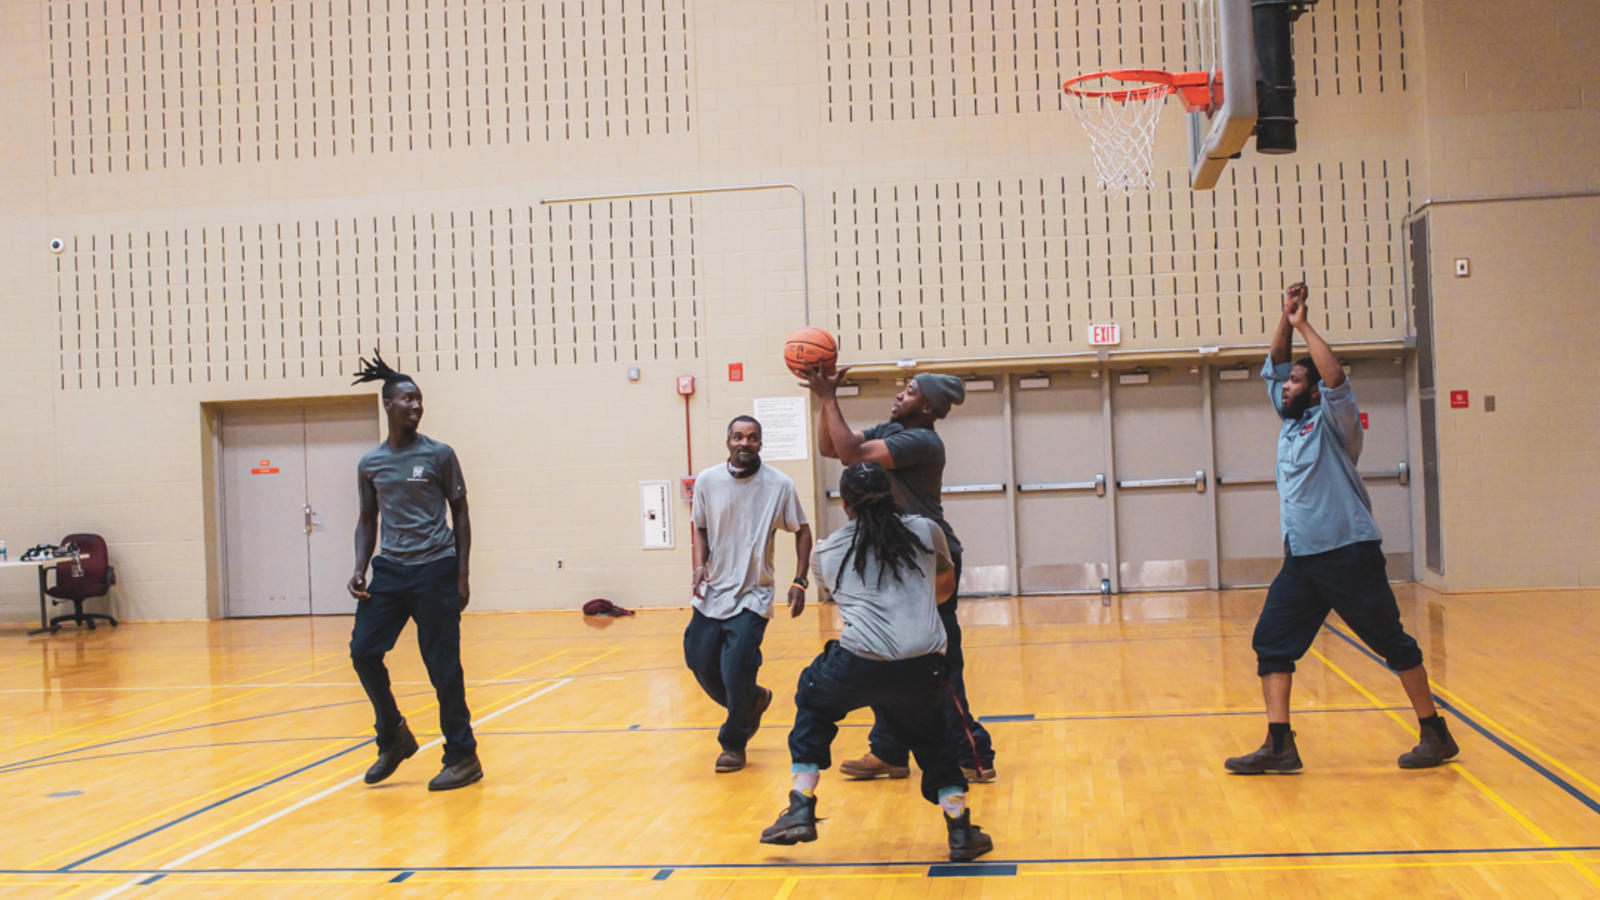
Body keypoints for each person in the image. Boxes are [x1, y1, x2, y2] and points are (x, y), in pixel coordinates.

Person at [1226, 284, 1458, 774]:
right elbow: (1276, 360)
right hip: (1302, 559)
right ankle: (1280, 745)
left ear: (1313, 392)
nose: (1284, 385)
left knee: (1392, 643)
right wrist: (1285, 318)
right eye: (1285, 382)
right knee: (1271, 643)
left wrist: (1304, 324)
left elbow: (1333, 376)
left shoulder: (1335, 420)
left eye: (1294, 382)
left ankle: (1435, 733)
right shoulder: (1289, 424)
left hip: (1348, 553)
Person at [760, 462, 993, 862]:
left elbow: (848, 597)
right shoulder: (927, 530)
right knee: (933, 738)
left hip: (861, 661)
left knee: (813, 700)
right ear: (892, 495)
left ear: (845, 504)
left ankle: (801, 805)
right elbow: (944, 587)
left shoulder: (826, 553)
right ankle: (960, 830)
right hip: (922, 661)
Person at [800, 367, 996, 783]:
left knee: (936, 663)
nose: (899, 395)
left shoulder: (922, 440)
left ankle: (973, 754)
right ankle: (889, 751)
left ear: (926, 406)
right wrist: (822, 398)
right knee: (886, 655)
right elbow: (832, 446)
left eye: (909, 392)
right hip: (892, 553)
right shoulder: (892, 429)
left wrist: (829, 395)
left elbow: (852, 456)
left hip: (927, 553)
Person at [347, 352, 482, 791]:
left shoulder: (440, 455)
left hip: (435, 569)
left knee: (443, 668)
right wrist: (359, 569)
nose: (416, 406)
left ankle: (462, 756)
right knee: (363, 651)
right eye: (407, 399)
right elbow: (367, 519)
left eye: (419, 399)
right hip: (390, 571)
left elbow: (460, 514)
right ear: (388, 404)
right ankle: (393, 736)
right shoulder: (371, 464)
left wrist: (462, 575)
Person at [687, 416, 813, 773]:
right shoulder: (708, 481)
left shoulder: (779, 484)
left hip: (753, 594)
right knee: (699, 661)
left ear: (761, 443)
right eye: (739, 436)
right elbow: (699, 527)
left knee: (737, 668)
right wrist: (698, 566)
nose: (745, 442)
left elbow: (803, 531)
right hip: (712, 591)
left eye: (753, 437)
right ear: (728, 441)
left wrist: (800, 580)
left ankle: (733, 743)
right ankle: (751, 702)